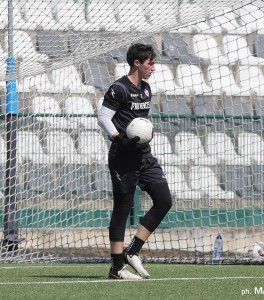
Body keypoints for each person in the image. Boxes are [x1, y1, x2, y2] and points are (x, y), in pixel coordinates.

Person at [98, 43, 172, 280]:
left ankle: (133, 251)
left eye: (154, 62)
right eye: (150, 62)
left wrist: (148, 130)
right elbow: (104, 116)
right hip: (123, 157)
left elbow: (138, 121)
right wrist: (118, 138)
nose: (154, 67)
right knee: (122, 209)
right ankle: (116, 268)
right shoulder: (119, 88)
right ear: (137, 64)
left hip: (144, 156)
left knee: (164, 200)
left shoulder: (147, 89)